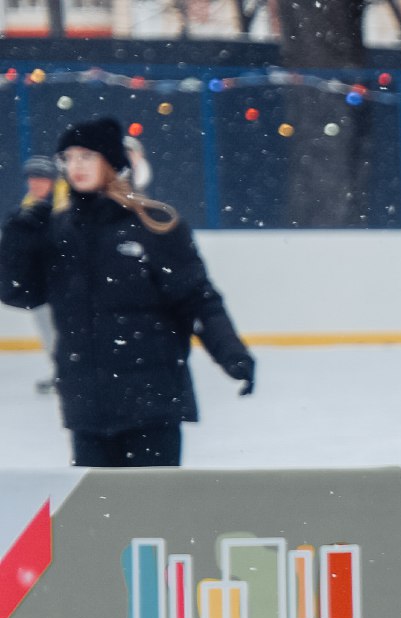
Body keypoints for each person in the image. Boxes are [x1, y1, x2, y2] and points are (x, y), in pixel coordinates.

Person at [0, 118, 253, 468]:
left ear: (111, 162)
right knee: (97, 520)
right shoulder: (59, 232)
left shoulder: (154, 225)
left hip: (152, 404)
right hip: (86, 408)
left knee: (152, 517)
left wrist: (231, 353)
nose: (76, 166)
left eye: (86, 156)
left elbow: (197, 299)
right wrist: (18, 241)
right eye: (68, 158)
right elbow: (19, 294)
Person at [19, 154, 56, 394]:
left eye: (41, 178)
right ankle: (61, 371)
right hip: (41, 284)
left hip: (65, 281)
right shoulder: (27, 206)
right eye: (32, 178)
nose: (36, 182)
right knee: (48, 331)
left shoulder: (66, 203)